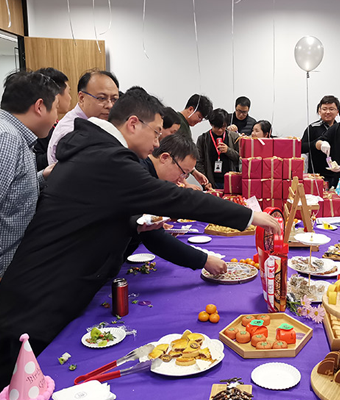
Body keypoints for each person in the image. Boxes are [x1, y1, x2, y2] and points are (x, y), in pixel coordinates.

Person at [0, 87, 279, 386]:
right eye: (156, 133)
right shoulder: (109, 160)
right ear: (133, 124)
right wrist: (249, 216)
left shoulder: (98, 151)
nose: (158, 142)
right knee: (19, 379)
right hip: (42, 294)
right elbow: (177, 199)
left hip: (46, 283)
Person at [125, 134, 226, 274]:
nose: (181, 179)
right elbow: (153, 237)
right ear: (165, 157)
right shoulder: (140, 176)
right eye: (183, 172)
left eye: (186, 175)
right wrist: (204, 260)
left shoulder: (151, 174)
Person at [0, 71, 60, 278]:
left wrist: (42, 176)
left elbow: (10, 192)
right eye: (56, 108)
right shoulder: (7, 138)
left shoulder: (14, 135)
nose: (56, 118)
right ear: (40, 106)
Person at [47, 69, 119, 165]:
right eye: (102, 98)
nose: (110, 105)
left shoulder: (101, 122)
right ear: (81, 98)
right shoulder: (70, 132)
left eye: (114, 99)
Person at [33, 68, 72, 170]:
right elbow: (35, 163)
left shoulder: (61, 124)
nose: (70, 98)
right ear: (56, 95)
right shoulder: (39, 127)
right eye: (68, 92)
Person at [196, 108, 240, 189]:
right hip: (211, 181)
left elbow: (240, 159)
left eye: (223, 127)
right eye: (217, 127)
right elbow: (198, 162)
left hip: (231, 181)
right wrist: (205, 182)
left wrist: (228, 151)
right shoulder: (203, 139)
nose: (220, 130)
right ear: (211, 124)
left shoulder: (234, 137)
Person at [176, 94, 213, 189]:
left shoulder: (185, 125)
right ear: (191, 109)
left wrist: (194, 172)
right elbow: (174, 157)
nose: (199, 121)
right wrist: (185, 183)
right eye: (199, 117)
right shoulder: (178, 123)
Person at [301, 95, 339, 179]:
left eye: (331, 109)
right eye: (324, 109)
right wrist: (316, 145)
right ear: (319, 111)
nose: (327, 112)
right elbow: (301, 147)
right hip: (316, 175)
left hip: (337, 174)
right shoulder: (312, 128)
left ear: (337, 112)